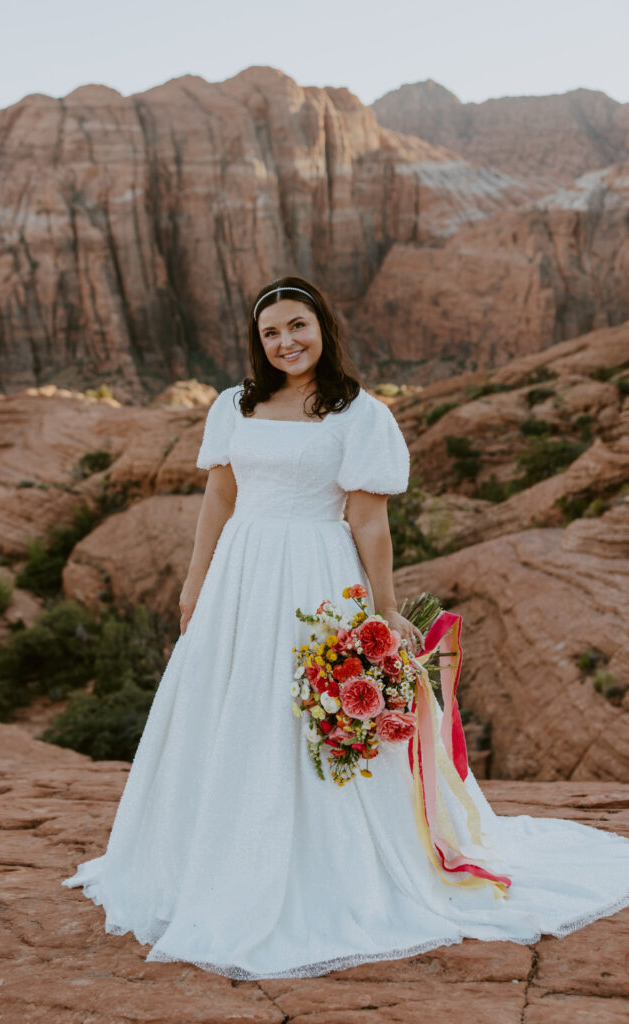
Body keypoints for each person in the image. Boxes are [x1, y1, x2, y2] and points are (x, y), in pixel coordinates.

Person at [62, 275, 629, 980]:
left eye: (297, 326)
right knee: (228, 705)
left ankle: (330, 868)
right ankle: (207, 860)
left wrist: (382, 607)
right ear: (256, 341)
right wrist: (193, 581)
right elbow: (219, 496)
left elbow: (367, 520)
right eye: (271, 332)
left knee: (308, 711)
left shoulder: (359, 414)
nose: (285, 342)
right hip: (241, 572)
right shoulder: (234, 405)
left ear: (322, 326)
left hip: (316, 575)